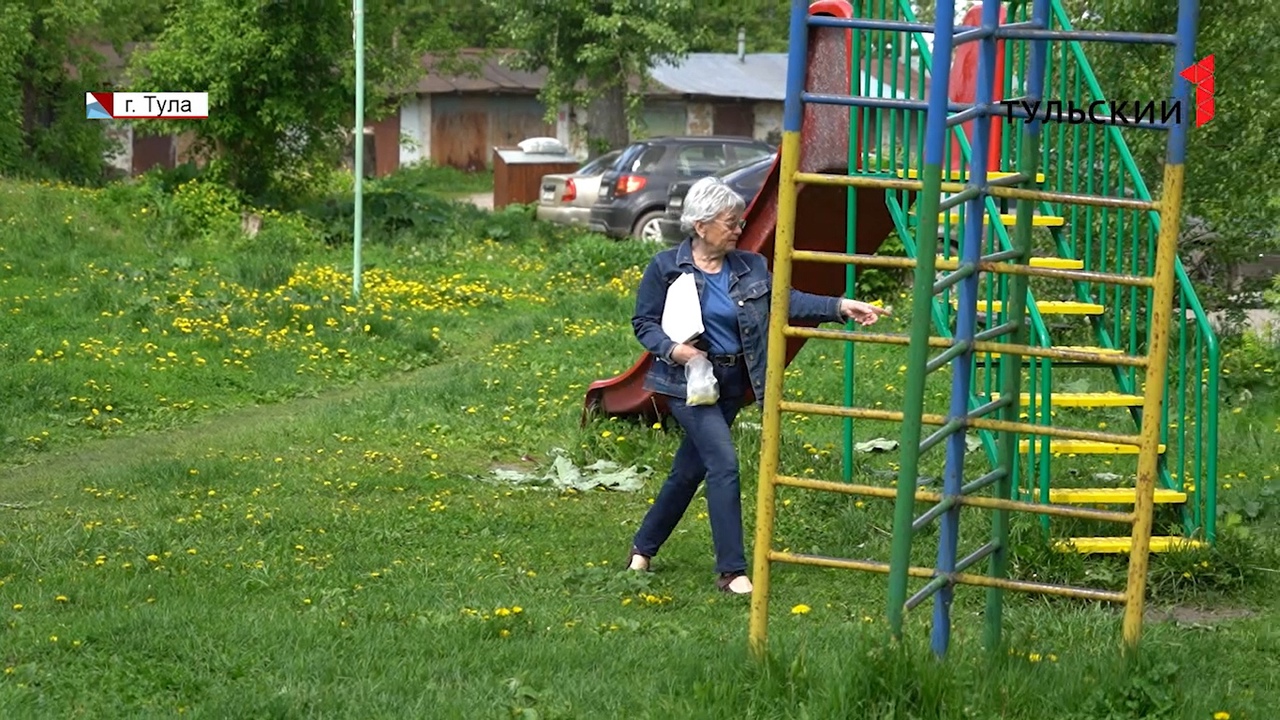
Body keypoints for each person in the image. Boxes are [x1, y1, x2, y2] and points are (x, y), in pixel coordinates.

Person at [625, 176, 891, 595]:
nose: (739, 228)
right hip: (686, 383)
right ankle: (731, 571)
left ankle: (642, 549)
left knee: (688, 471)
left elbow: (785, 300)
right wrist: (676, 350)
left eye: (740, 221)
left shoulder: (750, 266)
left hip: (732, 382)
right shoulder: (665, 267)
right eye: (730, 222)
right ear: (702, 226)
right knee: (724, 464)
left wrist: (841, 306)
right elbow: (644, 323)